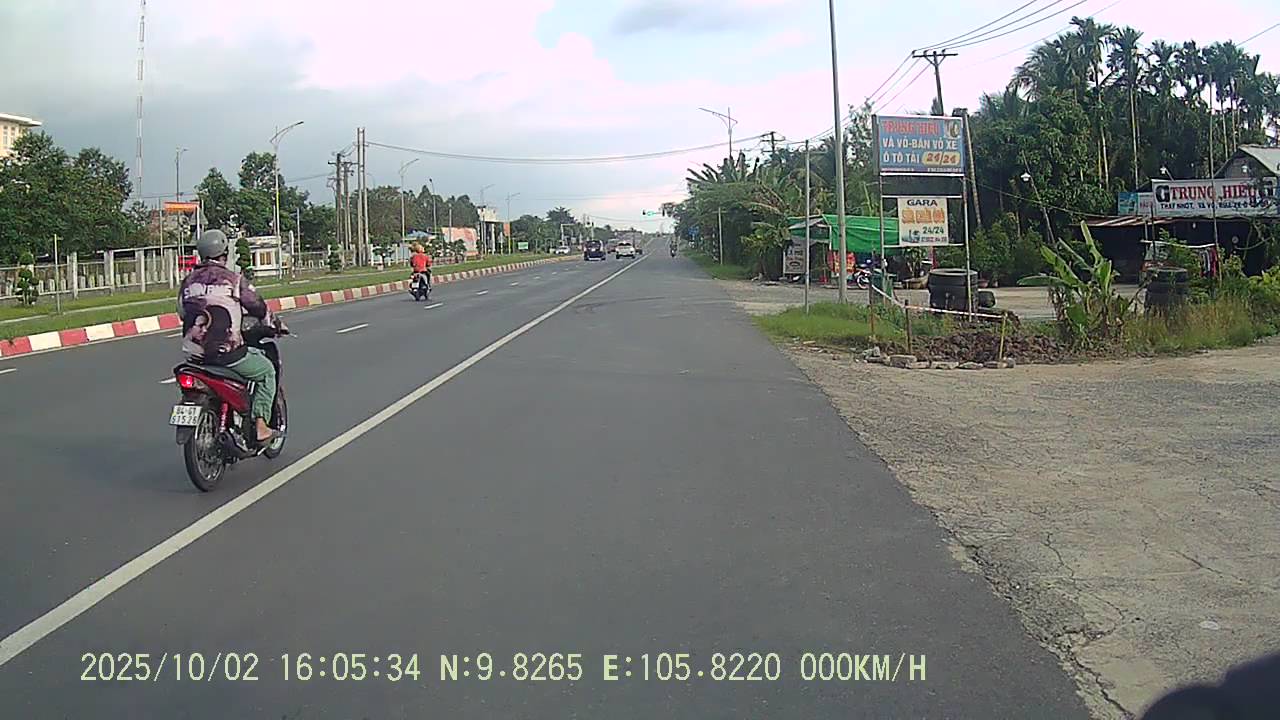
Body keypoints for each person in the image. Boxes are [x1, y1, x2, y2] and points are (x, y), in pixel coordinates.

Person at [177, 230, 282, 445]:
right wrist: (274, 324)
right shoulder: (233, 280)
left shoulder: (187, 282)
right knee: (266, 372)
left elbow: (181, 312)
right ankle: (261, 426)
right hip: (226, 355)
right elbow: (258, 306)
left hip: (195, 357)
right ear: (225, 254)